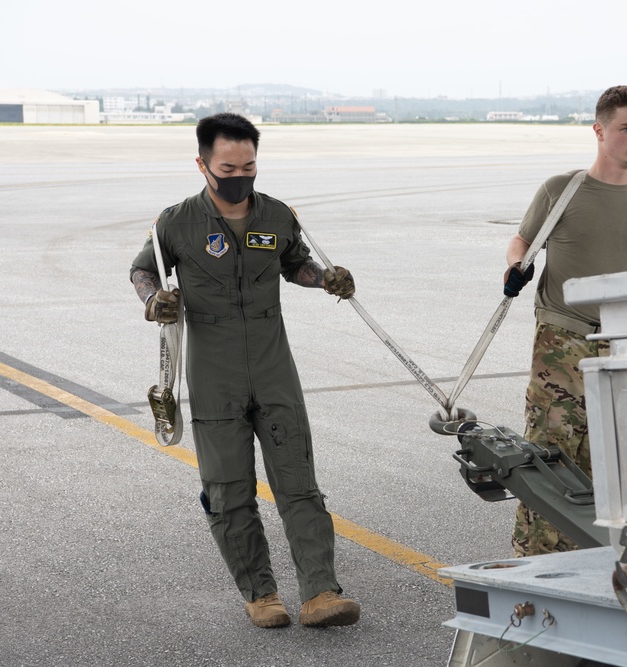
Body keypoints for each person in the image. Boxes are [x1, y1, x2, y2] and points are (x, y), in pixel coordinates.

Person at [130, 112, 360, 629]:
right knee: (229, 491)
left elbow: (294, 263)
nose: (240, 176)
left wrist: (327, 278)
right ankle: (261, 594)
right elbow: (143, 269)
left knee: (299, 484)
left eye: (250, 165)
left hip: (274, 366)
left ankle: (321, 592)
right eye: (228, 167)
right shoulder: (174, 223)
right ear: (203, 164)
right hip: (214, 376)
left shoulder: (278, 216)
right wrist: (154, 301)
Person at [504, 85, 627, 557]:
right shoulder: (561, 191)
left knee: (615, 459)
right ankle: (536, 562)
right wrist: (515, 268)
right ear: (599, 130)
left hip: (625, 346)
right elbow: (522, 241)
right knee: (549, 455)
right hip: (563, 340)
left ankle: (595, 556)